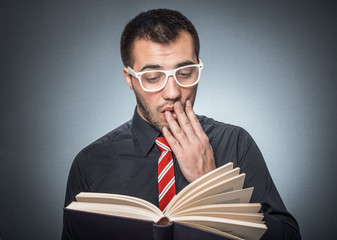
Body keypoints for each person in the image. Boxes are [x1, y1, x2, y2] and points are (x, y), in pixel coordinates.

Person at [62, 8, 301, 239]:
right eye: (153, 77)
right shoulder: (90, 164)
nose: (173, 92)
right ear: (129, 79)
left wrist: (211, 187)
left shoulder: (236, 144)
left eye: (185, 72)